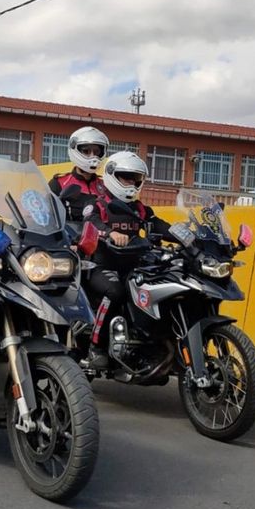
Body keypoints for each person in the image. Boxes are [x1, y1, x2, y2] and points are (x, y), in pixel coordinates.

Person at [83, 151, 171, 370]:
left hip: (134, 266)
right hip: (102, 265)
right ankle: (95, 346)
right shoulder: (98, 205)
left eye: (135, 178)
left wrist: (187, 235)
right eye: (126, 177)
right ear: (111, 175)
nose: (131, 183)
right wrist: (109, 233)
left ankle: (150, 343)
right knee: (115, 291)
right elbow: (90, 223)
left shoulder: (140, 209)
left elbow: (159, 225)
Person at [48, 126, 110, 222]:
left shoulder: (106, 186)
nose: (93, 156)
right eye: (86, 151)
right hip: (70, 231)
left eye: (96, 152)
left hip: (100, 231)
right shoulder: (59, 183)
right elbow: (47, 217)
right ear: (75, 150)